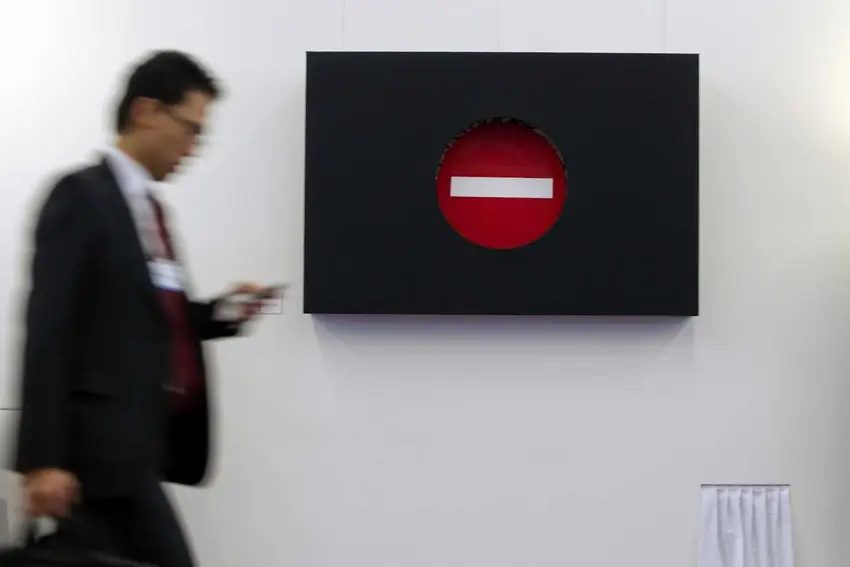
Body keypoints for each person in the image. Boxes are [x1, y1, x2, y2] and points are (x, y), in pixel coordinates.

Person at [12, 50, 270, 567]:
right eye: (190, 130)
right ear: (146, 111)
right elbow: (48, 328)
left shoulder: (150, 213)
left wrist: (223, 313)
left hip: (137, 452)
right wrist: (44, 460)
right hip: (93, 461)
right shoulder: (80, 197)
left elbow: (151, 319)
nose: (193, 149)